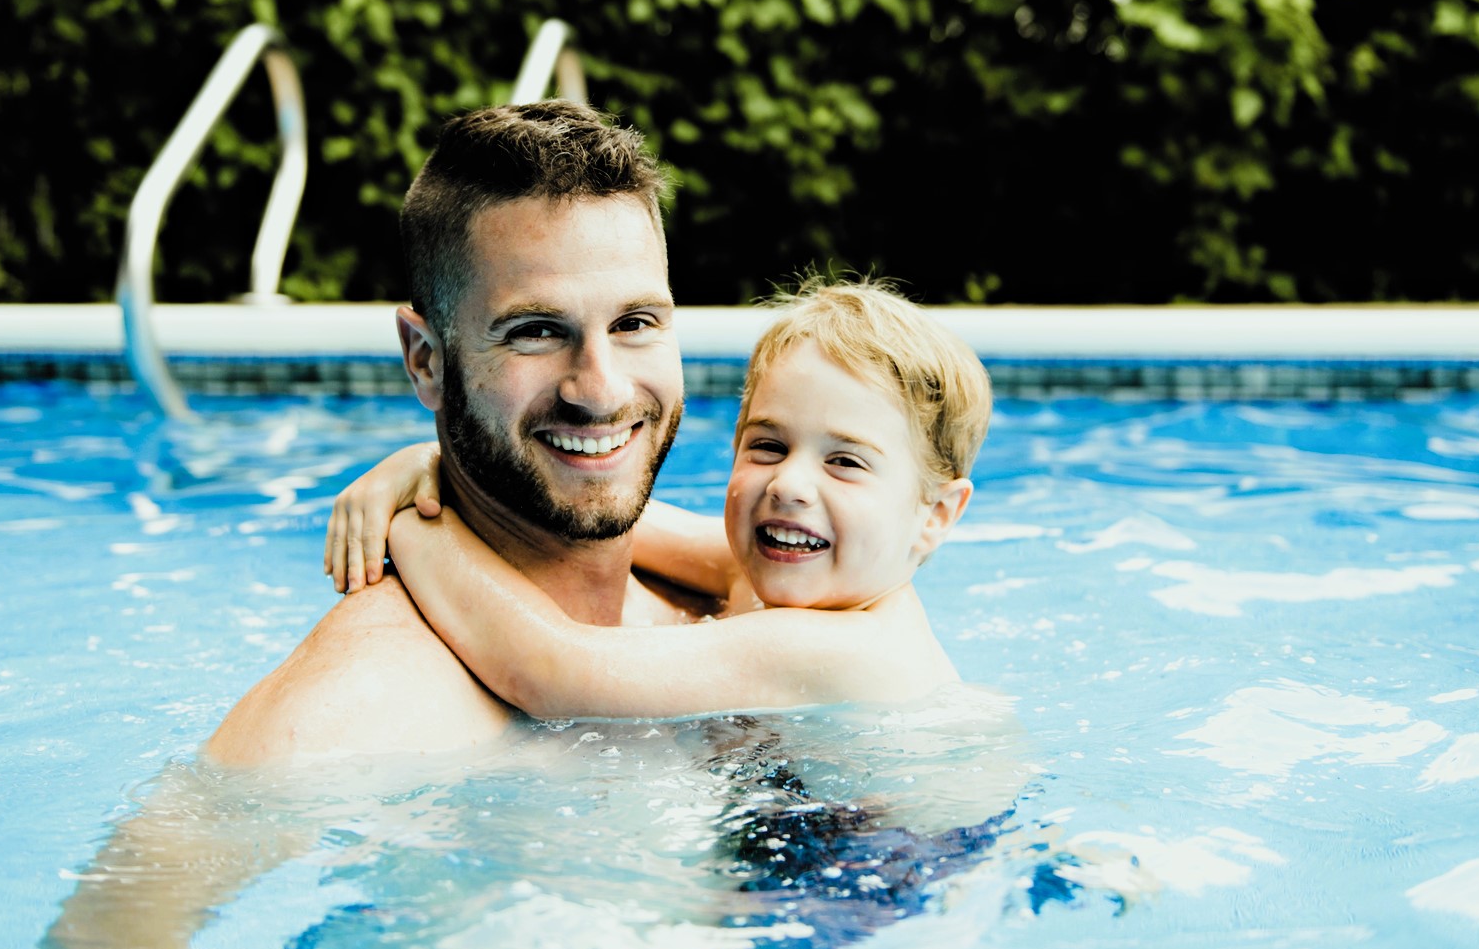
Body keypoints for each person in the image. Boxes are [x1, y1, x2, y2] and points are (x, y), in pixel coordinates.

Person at [47, 100, 723, 949]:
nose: (600, 386)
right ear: (425, 359)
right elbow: (113, 930)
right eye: (534, 331)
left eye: (636, 322)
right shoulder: (372, 690)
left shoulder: (722, 608)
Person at [329, 279, 993, 720]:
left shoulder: (850, 647)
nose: (789, 484)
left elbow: (552, 671)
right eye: (767, 445)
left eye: (844, 462)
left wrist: (417, 527)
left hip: (899, 872)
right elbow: (595, 517)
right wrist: (436, 466)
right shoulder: (783, 565)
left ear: (933, 516)